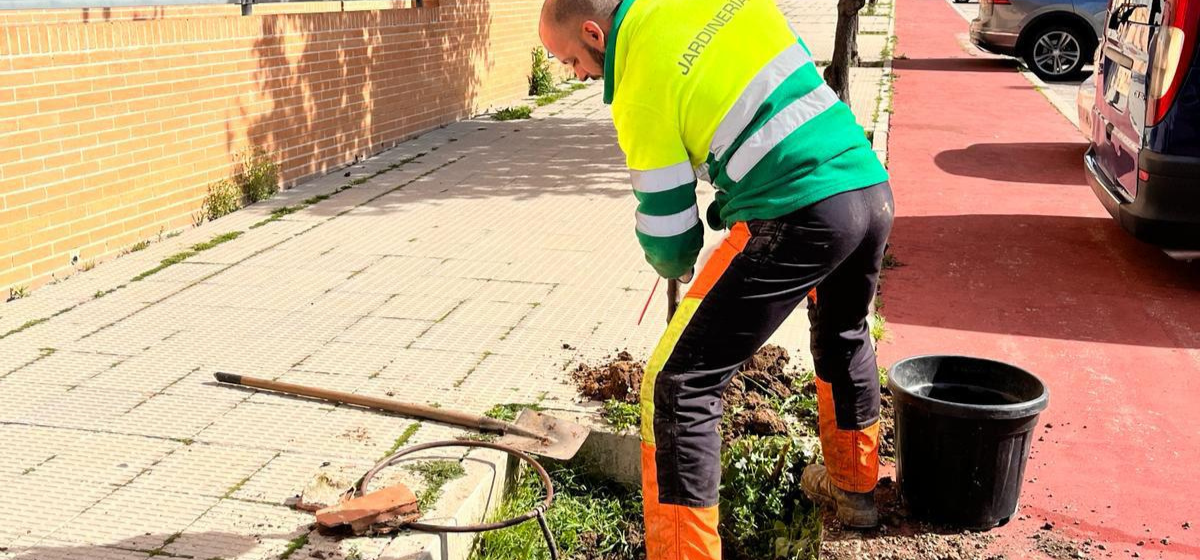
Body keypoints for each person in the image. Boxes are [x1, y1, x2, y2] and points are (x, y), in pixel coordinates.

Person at [539, 0, 895, 557]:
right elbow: (779, 91)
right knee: (843, 333)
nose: (576, 75)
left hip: (796, 211)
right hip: (868, 189)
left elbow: (667, 225)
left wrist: (675, 263)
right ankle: (854, 491)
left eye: (571, 61)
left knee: (677, 384)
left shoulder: (638, 83)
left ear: (595, 33)